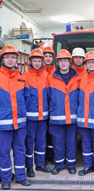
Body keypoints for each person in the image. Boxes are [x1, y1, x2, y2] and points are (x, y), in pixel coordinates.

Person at [0, 45, 31, 190]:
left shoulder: (22, 77)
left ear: (16, 60)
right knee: (4, 152)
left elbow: (27, 97)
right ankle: (6, 179)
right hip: (3, 123)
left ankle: (21, 177)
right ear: (3, 59)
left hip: (20, 122)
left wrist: (22, 111)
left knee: (20, 150)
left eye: (13, 57)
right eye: (7, 57)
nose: (10, 60)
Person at [47, 49, 80, 175]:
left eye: (65, 60)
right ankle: (59, 164)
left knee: (71, 142)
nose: (63, 63)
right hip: (56, 117)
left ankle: (71, 165)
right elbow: (48, 97)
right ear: (57, 62)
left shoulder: (77, 78)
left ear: (69, 62)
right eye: (61, 60)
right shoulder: (51, 78)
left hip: (72, 117)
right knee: (58, 142)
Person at [24, 49, 51, 178]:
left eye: (39, 60)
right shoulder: (25, 76)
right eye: (34, 60)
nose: (36, 63)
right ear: (30, 61)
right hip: (30, 117)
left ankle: (40, 164)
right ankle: (29, 167)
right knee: (29, 142)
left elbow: (50, 96)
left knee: (41, 141)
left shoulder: (47, 75)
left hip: (43, 116)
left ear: (42, 61)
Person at [43, 46, 55, 164]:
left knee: (52, 134)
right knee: (43, 135)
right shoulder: (39, 71)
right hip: (41, 109)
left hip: (53, 109)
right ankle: (43, 157)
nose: (48, 58)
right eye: (45, 56)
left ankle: (51, 156)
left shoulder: (56, 71)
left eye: (50, 56)